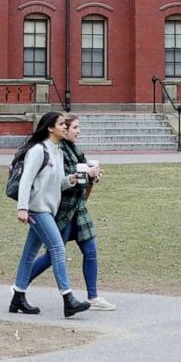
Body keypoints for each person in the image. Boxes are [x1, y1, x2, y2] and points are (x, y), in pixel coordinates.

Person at [9, 111, 93, 318]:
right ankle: (68, 298)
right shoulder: (39, 150)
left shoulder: (58, 151)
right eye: (62, 124)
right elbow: (27, 180)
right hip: (38, 209)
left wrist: (72, 178)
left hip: (49, 208)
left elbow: (56, 182)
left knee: (29, 254)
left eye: (66, 124)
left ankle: (18, 297)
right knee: (57, 248)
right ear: (50, 128)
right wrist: (22, 208)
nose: (65, 127)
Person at [27, 114, 114, 310]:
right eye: (74, 127)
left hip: (79, 208)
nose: (78, 131)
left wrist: (92, 177)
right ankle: (20, 285)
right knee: (53, 255)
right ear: (63, 130)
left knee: (90, 250)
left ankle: (93, 296)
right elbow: (58, 183)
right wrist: (84, 175)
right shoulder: (57, 151)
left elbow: (81, 183)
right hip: (62, 209)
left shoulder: (76, 149)